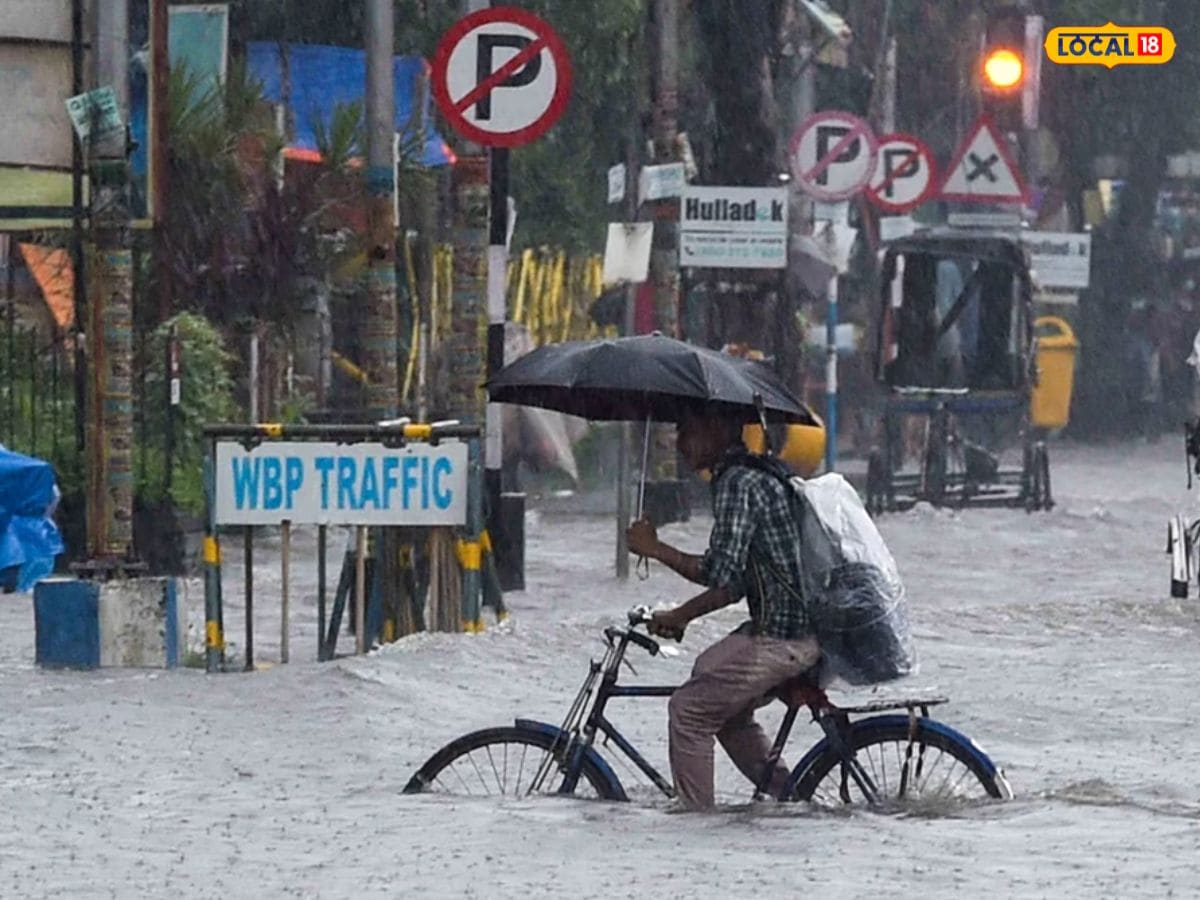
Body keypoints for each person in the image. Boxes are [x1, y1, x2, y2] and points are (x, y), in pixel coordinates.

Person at [626, 406, 819, 809]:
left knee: (689, 710)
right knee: (711, 684)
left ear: (717, 430)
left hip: (784, 636)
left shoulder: (738, 483)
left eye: (687, 430)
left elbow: (718, 570)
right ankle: (795, 800)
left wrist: (654, 548)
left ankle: (697, 823)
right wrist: (682, 616)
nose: (679, 444)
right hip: (794, 629)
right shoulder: (754, 473)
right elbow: (737, 583)